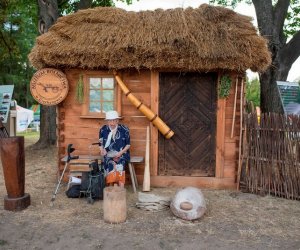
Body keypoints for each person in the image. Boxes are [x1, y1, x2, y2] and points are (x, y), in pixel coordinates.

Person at [99, 110, 130, 187]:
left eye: (114, 120)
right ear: (107, 121)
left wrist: (120, 153)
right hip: (108, 154)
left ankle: (120, 189)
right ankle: (110, 187)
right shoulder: (103, 129)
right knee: (109, 162)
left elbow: (128, 145)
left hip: (122, 153)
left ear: (117, 120)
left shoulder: (124, 129)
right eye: (110, 120)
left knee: (120, 163)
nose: (112, 123)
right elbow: (100, 143)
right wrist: (102, 150)